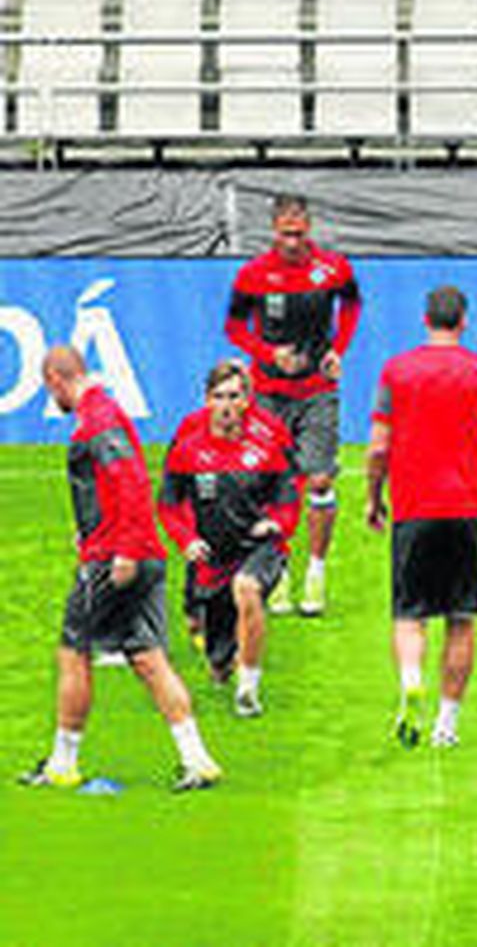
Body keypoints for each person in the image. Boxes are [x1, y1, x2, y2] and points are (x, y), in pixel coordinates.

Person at [20, 347, 222, 791]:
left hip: (116, 559)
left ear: (56, 377)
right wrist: (90, 529)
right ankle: (198, 759)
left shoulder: (99, 419)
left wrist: (123, 549)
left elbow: (130, 481)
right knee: (148, 657)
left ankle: (62, 763)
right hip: (136, 552)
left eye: (48, 385)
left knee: (74, 652)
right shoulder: (103, 414)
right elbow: (108, 487)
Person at [366, 286, 477, 749]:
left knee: (410, 615)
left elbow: (377, 447)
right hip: (467, 507)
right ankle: (446, 726)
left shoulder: (397, 371)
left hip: (414, 507)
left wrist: (374, 496)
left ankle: (411, 678)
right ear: (463, 320)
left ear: (425, 319)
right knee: (461, 619)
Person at [226, 193, 363, 617]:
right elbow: (234, 327)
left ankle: (316, 575)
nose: (292, 242)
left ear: (310, 229)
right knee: (273, 486)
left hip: (317, 390)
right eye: (285, 234)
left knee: (319, 480)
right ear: (273, 230)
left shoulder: (332, 268)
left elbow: (353, 304)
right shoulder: (253, 275)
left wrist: (338, 349)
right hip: (268, 393)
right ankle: (278, 572)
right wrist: (269, 355)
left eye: (299, 234)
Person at [159, 362, 301, 716]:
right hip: (212, 558)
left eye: (234, 396)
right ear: (207, 400)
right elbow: (168, 506)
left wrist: (276, 524)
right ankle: (226, 662)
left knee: (247, 588)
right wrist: (186, 539)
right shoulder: (187, 450)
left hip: (259, 549)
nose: (225, 405)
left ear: (246, 401)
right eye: (218, 396)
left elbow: (289, 498)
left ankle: (248, 692)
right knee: (218, 664)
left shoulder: (267, 446)